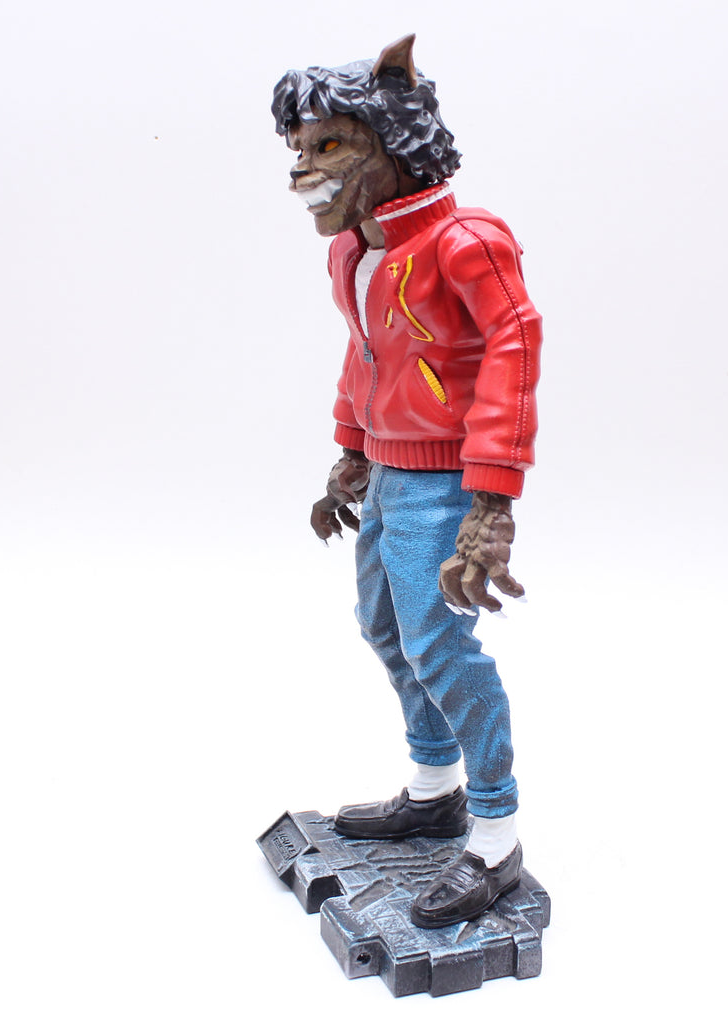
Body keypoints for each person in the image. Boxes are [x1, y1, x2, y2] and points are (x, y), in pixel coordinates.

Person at [272, 35, 541, 928]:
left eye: (330, 145)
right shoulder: (355, 252)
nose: (303, 168)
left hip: (445, 482)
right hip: (388, 473)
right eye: (299, 147)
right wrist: (351, 450)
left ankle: (495, 838)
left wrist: (492, 502)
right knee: (386, 627)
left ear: (393, 141)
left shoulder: (466, 242)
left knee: (441, 646)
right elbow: (368, 355)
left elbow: (513, 350)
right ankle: (435, 792)